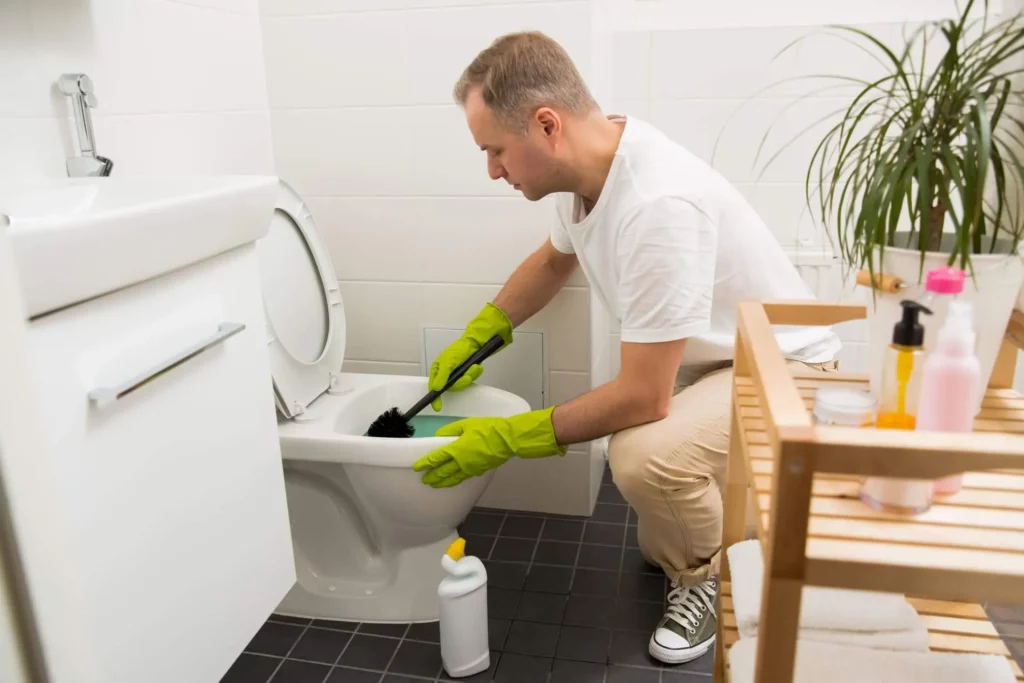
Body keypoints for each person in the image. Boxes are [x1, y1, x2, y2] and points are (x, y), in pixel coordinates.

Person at [410, 30, 841, 665]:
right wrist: (483, 330)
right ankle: (727, 527)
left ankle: (706, 581)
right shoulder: (592, 163)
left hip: (790, 369)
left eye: (495, 150)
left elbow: (644, 394)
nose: (492, 169)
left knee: (642, 456)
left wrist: (510, 437)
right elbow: (555, 261)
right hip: (722, 360)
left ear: (546, 124)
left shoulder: (657, 205)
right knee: (658, 494)